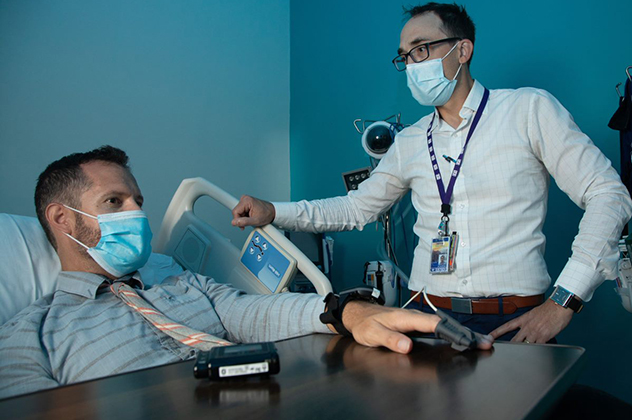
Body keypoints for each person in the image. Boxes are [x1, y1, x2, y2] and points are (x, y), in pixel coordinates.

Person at [232, 2, 632, 344]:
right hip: (427, 318)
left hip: (510, 323)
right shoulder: (409, 141)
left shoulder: (527, 111)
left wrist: (564, 300)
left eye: (421, 49)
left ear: (462, 51)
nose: (411, 64)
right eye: (405, 56)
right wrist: (273, 212)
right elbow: (356, 209)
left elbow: (608, 195)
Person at [0, 145, 471, 400]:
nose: (137, 215)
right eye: (114, 203)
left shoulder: (179, 281)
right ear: (62, 219)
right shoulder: (32, 336)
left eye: (138, 202)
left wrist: (344, 311)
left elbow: (252, 312)